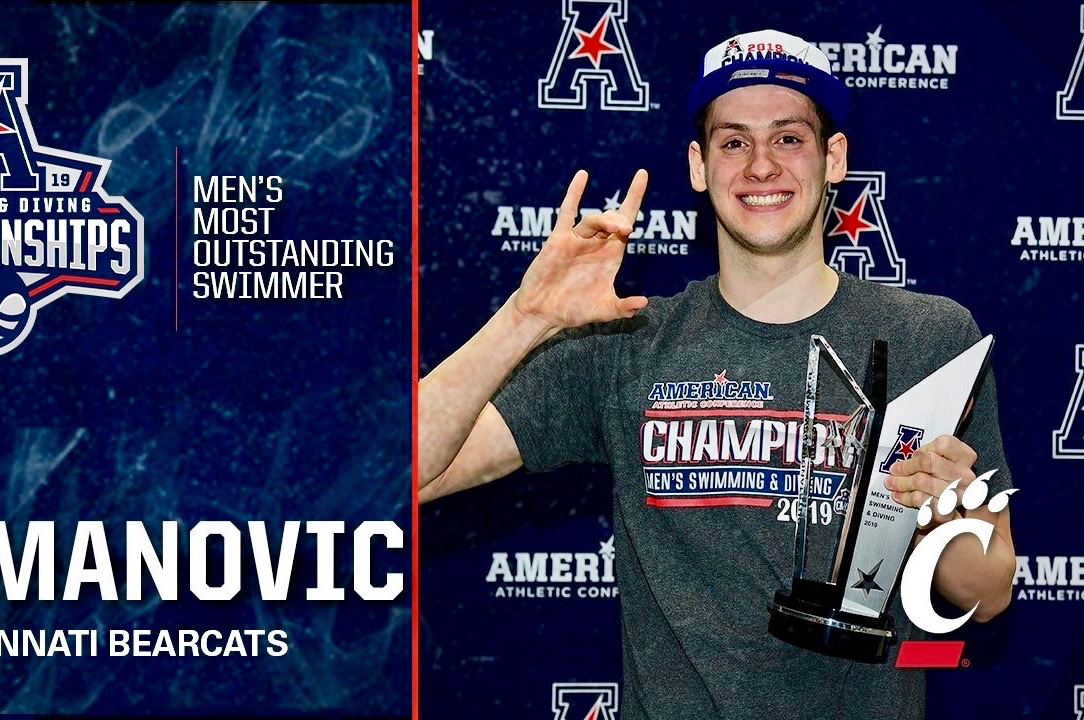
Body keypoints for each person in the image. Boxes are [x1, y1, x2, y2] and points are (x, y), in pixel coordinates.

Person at [418, 29, 1016, 719]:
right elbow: (402, 468)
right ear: (700, 167)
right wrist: (524, 318)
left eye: (789, 138)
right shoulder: (630, 345)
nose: (761, 166)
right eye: (734, 142)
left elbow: (985, 593)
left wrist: (955, 517)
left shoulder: (928, 337)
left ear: (835, 158)